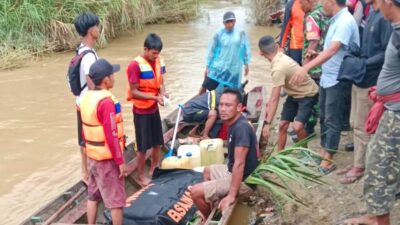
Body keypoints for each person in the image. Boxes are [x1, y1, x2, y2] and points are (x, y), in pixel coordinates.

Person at [344, 0, 400, 224]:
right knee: (382, 163)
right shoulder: (394, 28)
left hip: (396, 113)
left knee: (379, 165)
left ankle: (379, 220)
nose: (377, 7)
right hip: (390, 106)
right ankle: (375, 215)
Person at [290, 0, 360, 174]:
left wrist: (307, 66)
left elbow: (334, 50)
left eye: (323, 2)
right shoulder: (335, 20)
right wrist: (317, 54)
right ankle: (324, 150)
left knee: (332, 118)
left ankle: (328, 159)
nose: (321, 6)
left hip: (338, 77)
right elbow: (330, 50)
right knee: (324, 116)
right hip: (327, 76)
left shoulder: (344, 21)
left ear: (331, 2)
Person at [337, 0, 392, 185]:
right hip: (360, 76)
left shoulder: (384, 19)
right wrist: (357, 53)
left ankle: (360, 166)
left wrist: (365, 63)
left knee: (363, 126)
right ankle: (358, 162)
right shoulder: (372, 14)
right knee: (355, 122)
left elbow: (386, 53)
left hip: (370, 79)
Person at [190, 88, 258, 223]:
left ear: (239, 107)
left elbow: (239, 164)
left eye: (228, 105)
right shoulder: (233, 123)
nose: (223, 109)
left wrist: (232, 195)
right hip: (232, 171)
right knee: (207, 169)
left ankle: (209, 216)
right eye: (221, 105)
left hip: (244, 181)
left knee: (195, 192)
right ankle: (212, 204)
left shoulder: (241, 128)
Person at [80, 59, 127, 225]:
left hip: (93, 157)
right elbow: (112, 134)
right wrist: (120, 161)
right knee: (116, 202)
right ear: (106, 79)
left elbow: (84, 131)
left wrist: (85, 159)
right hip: (107, 161)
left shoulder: (86, 98)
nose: (114, 77)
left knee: (93, 195)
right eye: (112, 74)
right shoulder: (106, 102)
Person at [259, 36, 318, 151]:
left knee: (297, 127)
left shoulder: (278, 69)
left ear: (261, 53)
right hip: (294, 94)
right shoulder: (279, 55)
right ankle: (280, 155)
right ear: (276, 47)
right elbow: (273, 95)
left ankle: (305, 151)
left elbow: (275, 98)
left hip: (307, 94)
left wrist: (267, 123)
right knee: (282, 125)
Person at [126, 33, 167, 187]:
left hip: (154, 109)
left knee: (157, 143)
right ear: (145, 49)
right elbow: (134, 91)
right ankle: (141, 176)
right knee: (142, 148)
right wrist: (155, 98)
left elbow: (161, 82)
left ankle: (154, 167)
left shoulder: (159, 60)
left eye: (158, 53)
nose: (156, 56)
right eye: (153, 53)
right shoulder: (134, 65)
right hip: (141, 111)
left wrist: (163, 93)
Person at [73, 12, 100, 184]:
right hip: (88, 105)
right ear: (91, 31)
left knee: (83, 139)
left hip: (80, 103)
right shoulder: (89, 56)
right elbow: (92, 84)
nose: (99, 29)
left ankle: (85, 171)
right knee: (89, 139)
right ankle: (87, 173)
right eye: (97, 26)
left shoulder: (81, 51)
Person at [199, 11, 251, 95]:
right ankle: (196, 103)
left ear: (235, 21)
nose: (230, 24)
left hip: (233, 69)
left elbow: (244, 49)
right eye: (227, 22)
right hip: (219, 68)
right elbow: (212, 51)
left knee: (230, 93)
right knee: (204, 86)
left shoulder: (241, 33)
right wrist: (207, 67)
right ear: (223, 23)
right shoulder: (219, 34)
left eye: (232, 21)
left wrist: (246, 64)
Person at [300, 0, 330, 135]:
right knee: (320, 98)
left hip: (314, 66)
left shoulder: (312, 17)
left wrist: (305, 67)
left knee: (311, 97)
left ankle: (309, 128)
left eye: (301, 2)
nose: (300, 6)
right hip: (325, 62)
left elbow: (313, 41)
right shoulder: (325, 12)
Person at [279, 0, 305, 65]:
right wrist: (281, 47)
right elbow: (285, 27)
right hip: (295, 46)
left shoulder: (314, 3)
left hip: (311, 46)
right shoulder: (291, 4)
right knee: (294, 72)